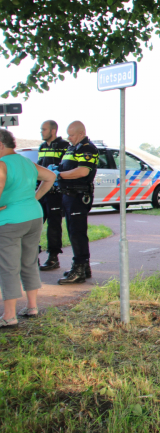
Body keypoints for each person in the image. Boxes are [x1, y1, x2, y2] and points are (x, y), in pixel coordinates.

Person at [0, 129, 56, 328]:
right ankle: (32, 306)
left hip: (10, 221)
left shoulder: (2, 164)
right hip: (34, 216)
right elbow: (50, 176)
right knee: (29, 261)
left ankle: (9, 315)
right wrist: (34, 198)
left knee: (8, 267)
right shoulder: (25, 161)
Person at [53, 121, 99, 285]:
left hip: (78, 195)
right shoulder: (73, 148)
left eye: (71, 134)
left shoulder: (87, 148)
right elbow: (67, 166)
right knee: (73, 231)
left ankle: (78, 269)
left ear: (81, 133)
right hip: (69, 195)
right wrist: (58, 168)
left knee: (77, 232)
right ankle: (84, 267)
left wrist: (59, 175)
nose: (68, 137)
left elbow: (83, 170)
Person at [36, 120, 70, 271]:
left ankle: (53, 257)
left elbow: (66, 166)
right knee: (35, 224)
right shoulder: (42, 146)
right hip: (42, 190)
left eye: (44, 129)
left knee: (54, 226)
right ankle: (32, 255)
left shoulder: (64, 146)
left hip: (55, 193)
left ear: (53, 130)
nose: (41, 132)